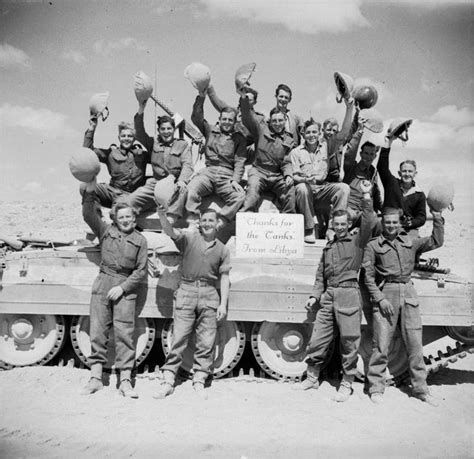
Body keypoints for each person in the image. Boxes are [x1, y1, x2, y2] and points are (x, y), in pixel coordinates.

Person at [295, 180, 376, 401]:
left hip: (349, 294)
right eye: (336, 224)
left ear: (348, 224)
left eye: (343, 224)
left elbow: (369, 221)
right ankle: (312, 378)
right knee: (318, 339)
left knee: (349, 342)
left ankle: (347, 384)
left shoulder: (358, 241)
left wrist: (367, 197)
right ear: (332, 224)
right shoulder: (328, 247)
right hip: (329, 296)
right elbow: (321, 273)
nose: (339, 227)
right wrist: (314, 296)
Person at [362, 206, 444, 406]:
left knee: (415, 344)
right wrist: (380, 299)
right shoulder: (373, 246)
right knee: (381, 344)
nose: (391, 226)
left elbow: (436, 241)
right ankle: (376, 388)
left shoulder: (410, 242)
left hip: (408, 292)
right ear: (383, 223)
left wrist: (438, 218)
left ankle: (421, 389)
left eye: (394, 222)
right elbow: (368, 277)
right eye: (387, 222)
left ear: (400, 223)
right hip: (386, 294)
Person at [80, 179, 148, 399]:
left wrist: (123, 288)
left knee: (125, 334)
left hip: (124, 288)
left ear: (134, 218)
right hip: (103, 282)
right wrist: (90, 190)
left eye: (129, 217)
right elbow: (89, 214)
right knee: (98, 331)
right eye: (122, 217)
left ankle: (125, 381)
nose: (126, 220)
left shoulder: (140, 240)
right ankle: (96, 378)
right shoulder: (105, 231)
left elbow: (140, 270)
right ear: (115, 219)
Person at [154, 207, 230, 399]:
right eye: (203, 220)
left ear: (217, 223)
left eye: (210, 221)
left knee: (206, 341)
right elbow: (170, 231)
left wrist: (223, 304)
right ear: (199, 222)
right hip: (187, 290)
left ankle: (199, 380)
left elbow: (225, 277)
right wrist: (162, 216)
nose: (207, 224)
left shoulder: (222, 249)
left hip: (209, 293)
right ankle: (168, 379)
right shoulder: (189, 239)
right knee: (179, 337)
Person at [185, 88, 247, 229]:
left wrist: (236, 180)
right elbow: (196, 117)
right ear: (219, 119)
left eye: (230, 120)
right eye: (224, 119)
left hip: (226, 175)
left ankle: (221, 220)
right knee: (191, 189)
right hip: (208, 172)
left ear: (234, 122)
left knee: (240, 196)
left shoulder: (239, 138)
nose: (226, 122)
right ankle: (193, 220)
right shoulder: (210, 130)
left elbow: (239, 161)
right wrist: (201, 97)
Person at [131, 99, 194, 223]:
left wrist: (182, 180)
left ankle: (170, 222)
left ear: (174, 129)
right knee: (131, 201)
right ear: (159, 130)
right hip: (155, 183)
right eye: (163, 129)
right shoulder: (152, 143)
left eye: (169, 129)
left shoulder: (182, 145)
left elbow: (188, 165)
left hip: (175, 183)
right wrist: (141, 109)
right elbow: (138, 132)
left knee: (183, 192)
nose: (166, 132)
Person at [290, 119, 350, 243]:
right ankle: (309, 229)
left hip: (322, 188)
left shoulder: (327, 146)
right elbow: (294, 176)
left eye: (314, 132)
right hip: (306, 189)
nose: (311, 135)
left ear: (319, 133)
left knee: (344, 188)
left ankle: (333, 228)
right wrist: (305, 179)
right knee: (301, 188)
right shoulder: (296, 152)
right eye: (308, 132)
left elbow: (344, 133)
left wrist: (349, 107)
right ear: (303, 134)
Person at [239, 90, 296, 214]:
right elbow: (247, 115)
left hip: (276, 175)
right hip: (259, 171)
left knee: (290, 191)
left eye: (280, 121)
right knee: (252, 189)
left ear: (285, 120)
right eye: (274, 121)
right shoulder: (261, 128)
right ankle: (247, 218)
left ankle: (288, 222)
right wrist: (243, 97)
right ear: (270, 121)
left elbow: (286, 162)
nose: (277, 124)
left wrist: (288, 175)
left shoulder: (289, 139)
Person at [82, 117, 149, 210]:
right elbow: (88, 151)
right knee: (86, 187)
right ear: (119, 138)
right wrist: (92, 128)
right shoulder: (111, 153)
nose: (126, 139)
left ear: (134, 139)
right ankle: (97, 216)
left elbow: (159, 159)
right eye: (123, 136)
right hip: (114, 193)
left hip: (135, 196)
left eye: (130, 136)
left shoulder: (142, 154)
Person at [377, 135, 427, 235]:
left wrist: (411, 223)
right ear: (399, 173)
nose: (407, 174)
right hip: (387, 226)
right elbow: (382, 167)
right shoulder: (391, 183)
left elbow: (421, 217)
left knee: (412, 247)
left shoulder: (420, 194)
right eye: (404, 171)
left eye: (410, 171)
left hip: (407, 230)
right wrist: (388, 143)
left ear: (415, 174)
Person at [343, 137, 383, 227]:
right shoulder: (351, 167)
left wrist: (388, 211)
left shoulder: (373, 173)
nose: (368, 157)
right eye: (366, 153)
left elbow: (377, 197)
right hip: (349, 210)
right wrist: (359, 132)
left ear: (375, 156)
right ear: (361, 154)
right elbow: (350, 153)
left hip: (366, 212)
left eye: (371, 154)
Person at [324, 96, 356, 183]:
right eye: (328, 130)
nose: (331, 133)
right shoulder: (320, 143)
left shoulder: (338, 142)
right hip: (321, 180)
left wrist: (352, 108)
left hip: (335, 180)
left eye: (334, 131)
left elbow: (349, 130)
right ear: (322, 130)